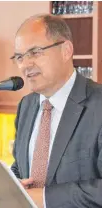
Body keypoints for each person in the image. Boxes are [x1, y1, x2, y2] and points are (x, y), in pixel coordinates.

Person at [10, 14, 102, 208]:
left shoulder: (98, 105)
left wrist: (43, 198)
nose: (26, 64)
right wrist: (12, 186)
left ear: (66, 50)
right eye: (19, 57)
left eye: (35, 52)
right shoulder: (26, 105)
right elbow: (20, 167)